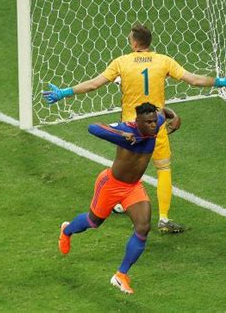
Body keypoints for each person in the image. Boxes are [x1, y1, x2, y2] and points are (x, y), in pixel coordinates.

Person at [44, 23, 226, 234]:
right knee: (164, 168)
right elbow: (194, 80)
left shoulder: (122, 62)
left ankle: (120, 201)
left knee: (125, 168)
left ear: (134, 43)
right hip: (155, 126)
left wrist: (64, 92)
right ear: (149, 43)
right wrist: (222, 82)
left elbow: (94, 84)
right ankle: (164, 219)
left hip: (129, 130)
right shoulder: (163, 61)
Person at [59, 102, 178, 294]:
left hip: (132, 187)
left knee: (143, 227)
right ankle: (67, 230)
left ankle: (121, 275)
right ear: (137, 121)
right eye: (148, 122)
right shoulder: (126, 130)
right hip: (111, 184)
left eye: (154, 122)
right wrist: (122, 135)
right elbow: (93, 128)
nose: (153, 126)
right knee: (93, 221)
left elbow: (164, 111)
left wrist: (175, 117)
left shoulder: (155, 123)